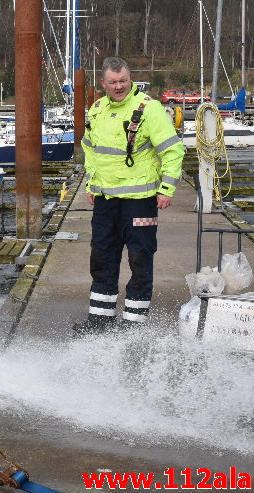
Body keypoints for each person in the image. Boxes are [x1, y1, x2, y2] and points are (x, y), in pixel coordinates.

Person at [78, 57, 184, 331]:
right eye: (113, 82)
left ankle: (133, 326)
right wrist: (92, 184)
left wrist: (166, 189)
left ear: (130, 79)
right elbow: (90, 149)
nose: (119, 86)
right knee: (101, 260)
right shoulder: (98, 108)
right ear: (103, 83)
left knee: (139, 260)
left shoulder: (149, 109)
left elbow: (173, 151)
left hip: (141, 203)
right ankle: (99, 323)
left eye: (123, 80)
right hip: (105, 202)